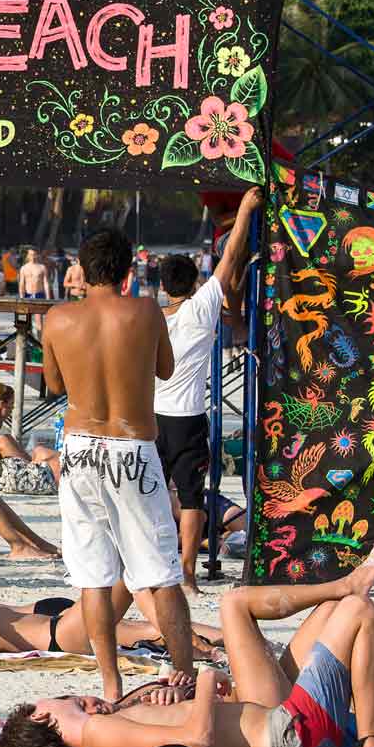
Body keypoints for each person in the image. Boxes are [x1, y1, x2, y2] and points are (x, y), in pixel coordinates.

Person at [0, 546, 374, 747]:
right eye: (70, 700)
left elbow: (184, 741)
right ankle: (373, 735)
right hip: (287, 729)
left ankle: (341, 590)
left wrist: (184, 694)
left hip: (276, 721)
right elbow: (197, 737)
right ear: (41, 719)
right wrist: (206, 681)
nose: (88, 701)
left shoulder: (104, 729)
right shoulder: (90, 731)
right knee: (357, 610)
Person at [40, 227, 189, 702]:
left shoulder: (58, 318)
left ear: (81, 271)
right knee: (161, 572)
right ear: (128, 271)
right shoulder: (145, 311)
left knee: (94, 574)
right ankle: (182, 676)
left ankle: (109, 681)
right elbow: (165, 369)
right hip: (131, 445)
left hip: (80, 446)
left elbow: (53, 382)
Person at [155, 188, 261, 595]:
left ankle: (157, 565)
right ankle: (186, 571)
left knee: (153, 493)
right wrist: (248, 209)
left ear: (163, 286)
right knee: (193, 497)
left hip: (153, 417)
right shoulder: (201, 309)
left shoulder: (151, 318)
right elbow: (231, 258)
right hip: (188, 419)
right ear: (194, 282)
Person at [0, 579, 225, 660]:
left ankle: (224, 639)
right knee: (128, 580)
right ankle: (201, 648)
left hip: (57, 624)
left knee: (140, 626)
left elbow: (1, 619)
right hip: (58, 635)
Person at [19, 248, 50, 338]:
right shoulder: (24, 268)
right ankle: (30, 342)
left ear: (37, 255)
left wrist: (48, 298)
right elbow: (21, 283)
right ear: (28, 256)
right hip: (27, 295)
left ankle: (40, 344)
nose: (33, 256)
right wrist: (21, 296)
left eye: (34, 254)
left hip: (39, 294)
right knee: (26, 322)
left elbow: (46, 283)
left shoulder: (42, 267)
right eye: (31, 254)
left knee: (39, 322)